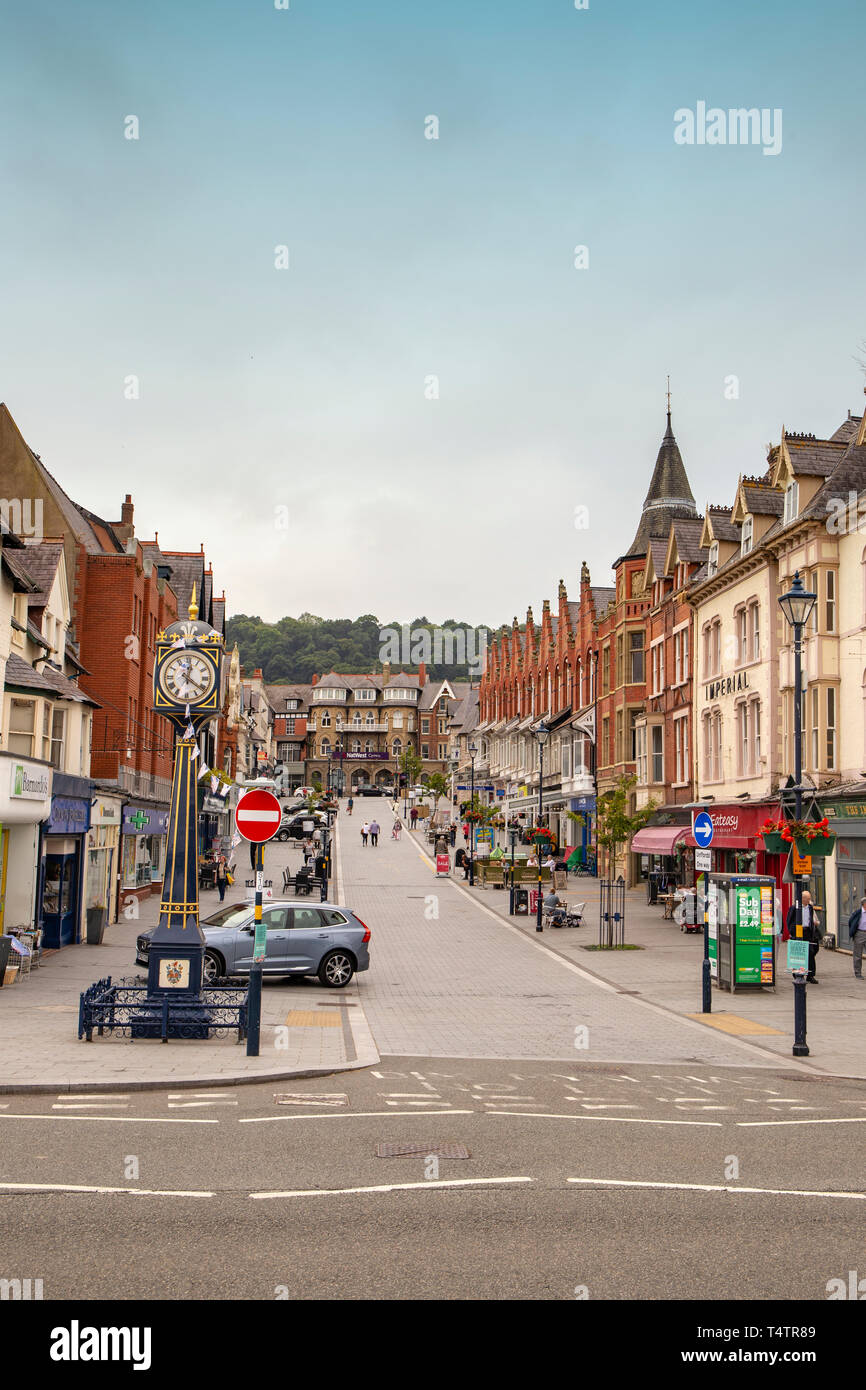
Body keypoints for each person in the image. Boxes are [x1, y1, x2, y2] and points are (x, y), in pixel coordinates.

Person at [786, 889, 822, 982]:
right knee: (798, 954)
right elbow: (789, 921)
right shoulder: (794, 907)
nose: (809, 900)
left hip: (807, 932)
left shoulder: (810, 907)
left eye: (810, 899)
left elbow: (810, 919)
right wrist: (792, 932)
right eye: (808, 899)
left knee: (810, 953)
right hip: (798, 932)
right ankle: (797, 973)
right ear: (802, 898)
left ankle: (811, 975)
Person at [848, 896, 866, 978]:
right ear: (864, 904)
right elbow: (850, 921)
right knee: (858, 955)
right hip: (860, 933)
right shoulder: (858, 912)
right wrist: (853, 931)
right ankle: (858, 973)